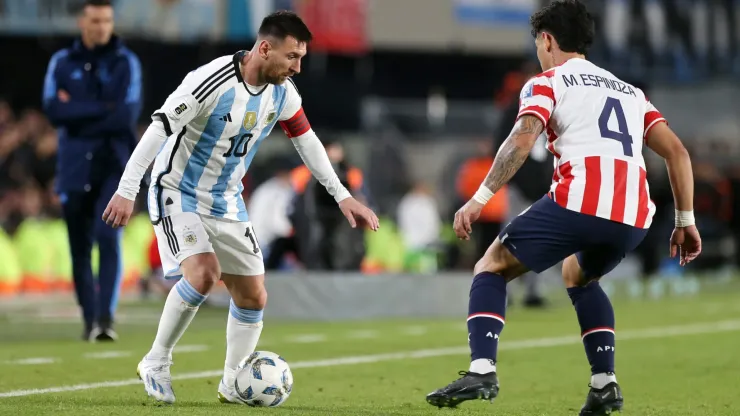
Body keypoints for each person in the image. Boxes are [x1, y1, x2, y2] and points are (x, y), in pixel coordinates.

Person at [426, 1, 702, 414]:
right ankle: (604, 383)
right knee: (578, 275)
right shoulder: (631, 92)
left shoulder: (547, 81)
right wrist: (685, 221)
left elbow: (521, 140)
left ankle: (481, 369)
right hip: (633, 215)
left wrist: (479, 199)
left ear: (547, 40)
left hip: (580, 201)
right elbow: (677, 152)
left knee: (491, 266)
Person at [101, 11, 378, 404]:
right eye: (292, 57)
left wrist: (342, 194)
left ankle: (232, 382)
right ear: (264, 48)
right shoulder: (209, 82)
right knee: (203, 274)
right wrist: (127, 189)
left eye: (301, 58)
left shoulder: (282, 92)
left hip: (227, 199)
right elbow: (159, 129)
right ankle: (156, 360)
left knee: (253, 297)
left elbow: (307, 141)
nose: (297, 67)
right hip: (178, 190)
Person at [42, 0, 142, 342]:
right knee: (79, 247)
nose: (102, 27)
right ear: (82, 22)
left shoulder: (126, 62)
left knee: (107, 235)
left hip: (114, 165)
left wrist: (78, 110)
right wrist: (104, 109)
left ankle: (105, 318)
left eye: (107, 20)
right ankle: (90, 320)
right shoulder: (61, 62)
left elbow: (126, 116)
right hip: (72, 166)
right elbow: (53, 110)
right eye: (95, 20)